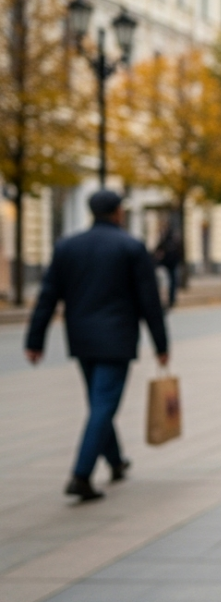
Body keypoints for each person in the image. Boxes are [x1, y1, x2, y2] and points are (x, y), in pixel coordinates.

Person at [24, 190, 169, 502]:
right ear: (117, 212)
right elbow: (149, 301)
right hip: (116, 340)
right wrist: (161, 343)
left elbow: (48, 296)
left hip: (81, 340)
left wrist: (35, 340)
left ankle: (115, 461)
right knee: (104, 405)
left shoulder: (67, 247)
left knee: (99, 402)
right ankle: (81, 474)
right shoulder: (131, 247)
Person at [153, 222, 183, 308]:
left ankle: (171, 299)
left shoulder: (166, 240)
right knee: (172, 282)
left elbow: (158, 249)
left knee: (169, 282)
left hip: (169, 264)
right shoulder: (173, 240)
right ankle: (171, 299)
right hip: (172, 264)